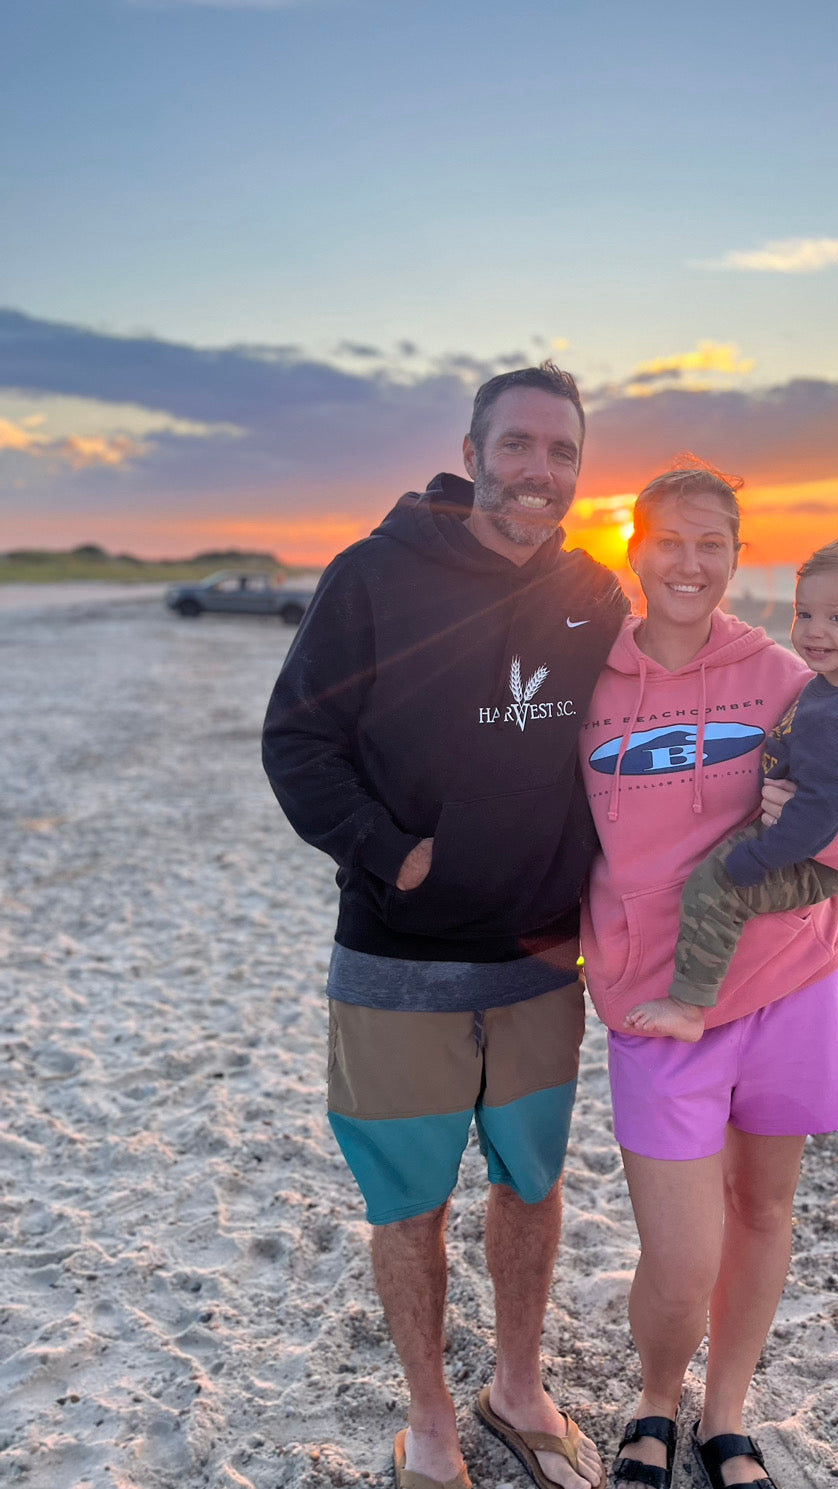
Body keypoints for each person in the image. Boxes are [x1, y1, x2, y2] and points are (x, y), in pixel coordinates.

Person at [262, 363, 627, 1489]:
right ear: (472, 454)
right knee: (409, 1200)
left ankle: (516, 1388)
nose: (539, 472)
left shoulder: (595, 591)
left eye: (562, 452)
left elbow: (668, 704)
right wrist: (393, 853)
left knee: (531, 1180)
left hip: (536, 958)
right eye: (518, 446)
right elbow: (296, 741)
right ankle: (429, 1418)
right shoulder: (374, 574)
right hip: (396, 955)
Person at [577, 464, 838, 1489]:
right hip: (654, 1000)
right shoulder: (585, 681)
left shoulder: (788, 673)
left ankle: (723, 1415)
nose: (689, 563)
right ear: (632, 548)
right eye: (670, 541)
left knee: (765, 1211)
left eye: (711, 543)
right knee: (680, 1260)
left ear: (735, 554)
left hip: (790, 981)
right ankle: (652, 1396)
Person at [627, 534, 838, 1041]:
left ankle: (688, 1005)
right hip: (800, 836)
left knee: (713, 888)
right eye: (804, 614)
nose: (813, 632)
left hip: (798, 852)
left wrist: (756, 861)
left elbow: (818, 820)